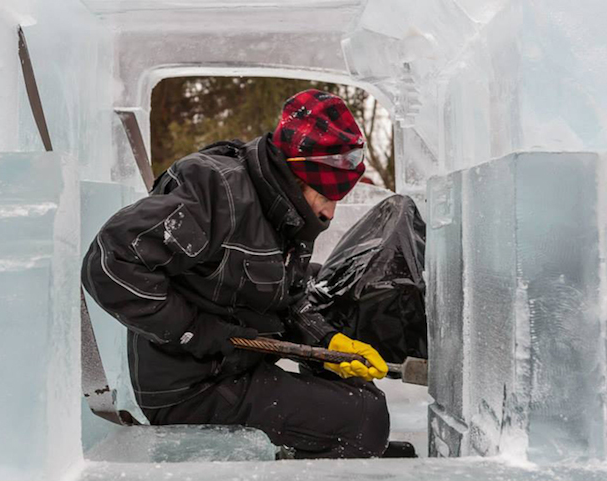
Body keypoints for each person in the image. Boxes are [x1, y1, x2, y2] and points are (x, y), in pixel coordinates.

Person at [81, 89, 390, 458]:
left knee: (361, 391)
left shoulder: (286, 212)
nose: (330, 212)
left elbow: (286, 299)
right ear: (296, 173)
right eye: (325, 195)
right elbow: (110, 262)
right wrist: (196, 331)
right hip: (192, 386)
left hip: (237, 367)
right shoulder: (216, 193)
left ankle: (295, 453)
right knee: (364, 419)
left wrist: (326, 344)